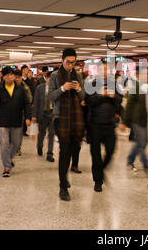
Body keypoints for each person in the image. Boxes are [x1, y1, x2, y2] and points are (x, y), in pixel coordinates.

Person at [49, 48, 85, 201]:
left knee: (73, 149)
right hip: (60, 119)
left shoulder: (78, 76)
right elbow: (50, 96)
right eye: (68, 62)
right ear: (62, 60)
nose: (71, 65)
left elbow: (84, 97)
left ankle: (64, 178)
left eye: (73, 62)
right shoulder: (55, 75)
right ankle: (63, 186)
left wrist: (78, 89)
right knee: (64, 152)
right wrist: (63, 88)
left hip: (76, 119)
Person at [86, 62, 122, 192]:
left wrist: (113, 96)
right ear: (98, 71)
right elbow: (89, 101)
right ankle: (98, 181)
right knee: (95, 155)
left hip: (110, 124)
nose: (105, 72)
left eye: (107, 70)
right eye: (102, 70)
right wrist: (101, 95)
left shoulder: (115, 84)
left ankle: (100, 169)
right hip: (94, 124)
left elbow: (120, 101)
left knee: (111, 151)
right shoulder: (91, 84)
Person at [0, 67, 32, 178]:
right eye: (7, 75)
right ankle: (6, 167)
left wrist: (28, 117)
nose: (10, 77)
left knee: (16, 144)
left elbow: (26, 105)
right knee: (4, 144)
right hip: (2, 121)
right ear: (3, 77)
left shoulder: (21, 89)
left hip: (17, 120)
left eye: (11, 75)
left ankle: (10, 158)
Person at [121, 66, 148, 174]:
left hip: (147, 120)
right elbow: (129, 105)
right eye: (143, 74)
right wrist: (125, 122)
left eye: (147, 74)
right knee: (142, 142)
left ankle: (130, 159)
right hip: (137, 120)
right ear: (137, 75)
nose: (146, 76)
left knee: (141, 143)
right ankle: (146, 166)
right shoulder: (135, 87)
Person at [32, 71, 55, 162]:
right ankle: (39, 146)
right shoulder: (39, 88)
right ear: (46, 78)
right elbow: (36, 102)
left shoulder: (56, 88)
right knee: (41, 133)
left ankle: (50, 153)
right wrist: (34, 115)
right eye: (49, 78)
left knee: (51, 134)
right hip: (42, 114)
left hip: (52, 114)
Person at [14, 69, 33, 156]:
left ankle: (18, 148)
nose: (17, 79)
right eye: (16, 77)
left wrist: (28, 117)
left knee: (19, 133)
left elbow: (28, 101)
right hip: (9, 113)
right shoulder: (8, 87)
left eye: (19, 77)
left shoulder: (25, 88)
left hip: (20, 114)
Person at [21, 65, 36, 136]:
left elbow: (33, 91)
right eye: (26, 69)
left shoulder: (30, 81)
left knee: (27, 115)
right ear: (23, 70)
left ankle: (24, 130)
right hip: (20, 101)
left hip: (28, 101)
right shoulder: (19, 80)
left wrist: (32, 101)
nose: (27, 71)